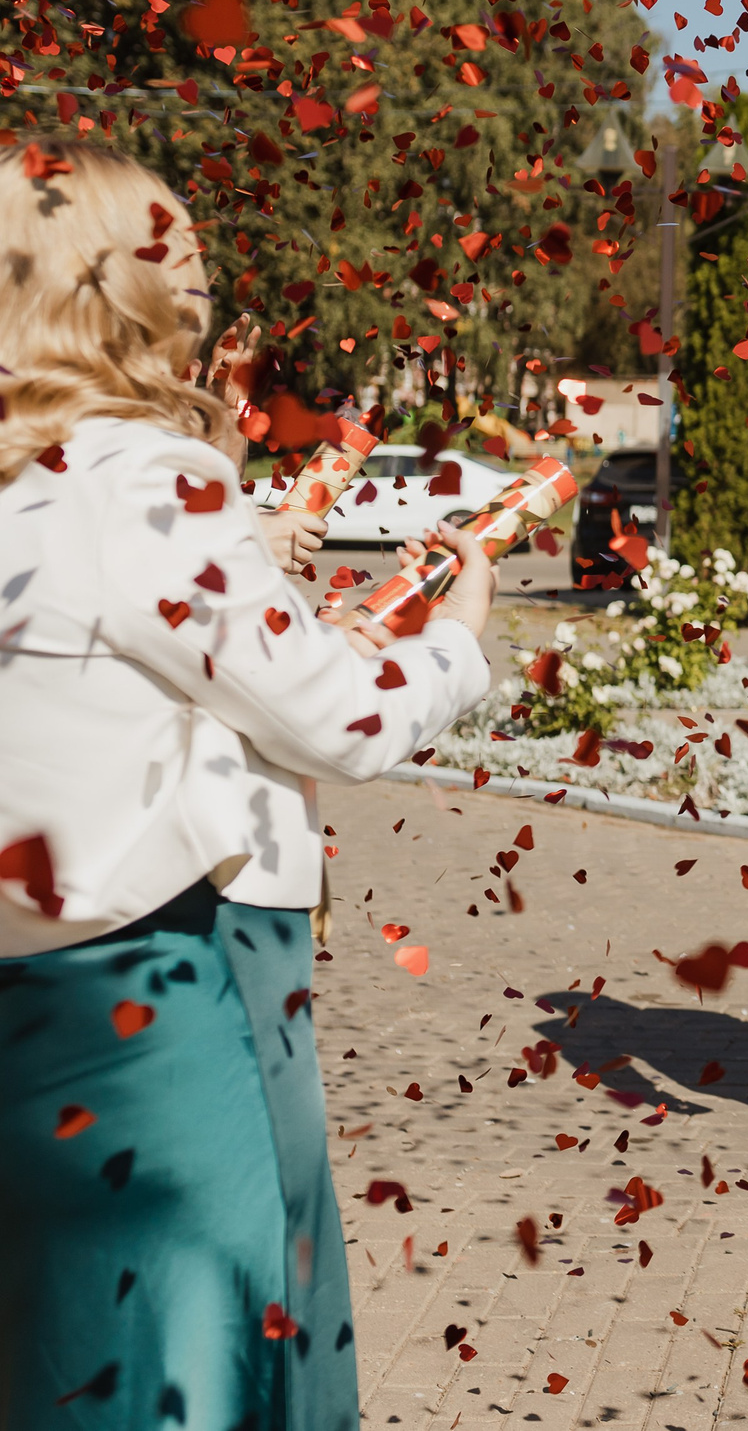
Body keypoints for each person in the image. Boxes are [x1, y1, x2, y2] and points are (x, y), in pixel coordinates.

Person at [0, 145, 495, 1424]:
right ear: (126, 286)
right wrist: (455, 645)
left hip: (33, 982)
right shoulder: (139, 479)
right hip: (154, 988)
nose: (207, 293)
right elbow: (340, 718)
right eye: (187, 258)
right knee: (195, 1342)